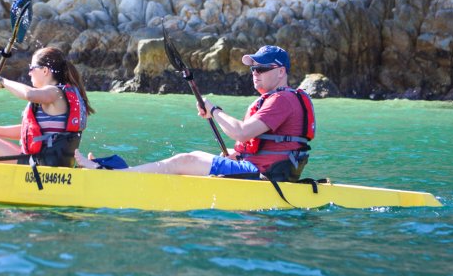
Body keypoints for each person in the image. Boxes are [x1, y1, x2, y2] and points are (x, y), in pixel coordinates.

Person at [75, 45, 315, 181]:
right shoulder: (279, 100)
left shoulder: (282, 100)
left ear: (281, 72)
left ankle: (117, 177)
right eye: (253, 68)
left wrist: (214, 110)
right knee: (195, 155)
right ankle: (124, 172)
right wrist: (233, 153)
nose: (255, 72)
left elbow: (241, 133)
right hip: (266, 169)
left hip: (264, 176)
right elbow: (256, 146)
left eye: (262, 68)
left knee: (183, 160)